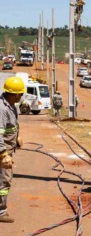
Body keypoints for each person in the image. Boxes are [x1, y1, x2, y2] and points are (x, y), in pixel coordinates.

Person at [0, 76, 26, 223]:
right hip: (2, 152)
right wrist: (3, 153)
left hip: (8, 149)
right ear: (15, 94)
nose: (21, 96)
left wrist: (16, 138)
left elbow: (10, 126)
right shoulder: (2, 109)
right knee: (4, 181)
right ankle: (1, 211)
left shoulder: (11, 106)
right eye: (20, 94)